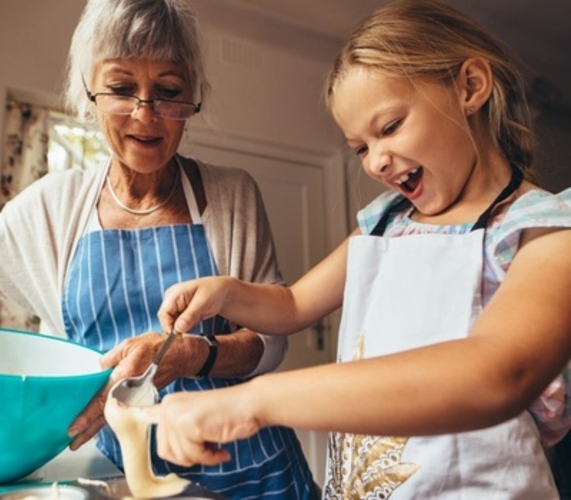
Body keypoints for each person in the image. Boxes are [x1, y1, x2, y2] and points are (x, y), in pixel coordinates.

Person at [0, 0, 318, 497]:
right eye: (120, 88)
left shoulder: (230, 196)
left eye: (168, 91)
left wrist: (189, 354)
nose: (145, 114)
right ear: (90, 96)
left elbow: (271, 341)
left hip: (250, 472)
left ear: (190, 100)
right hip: (118, 473)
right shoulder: (56, 204)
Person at [151, 0, 571, 497]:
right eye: (360, 148)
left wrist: (254, 400)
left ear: (471, 87)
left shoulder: (546, 229)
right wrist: (226, 294)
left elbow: (498, 371)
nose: (376, 162)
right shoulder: (385, 223)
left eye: (390, 127)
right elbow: (293, 305)